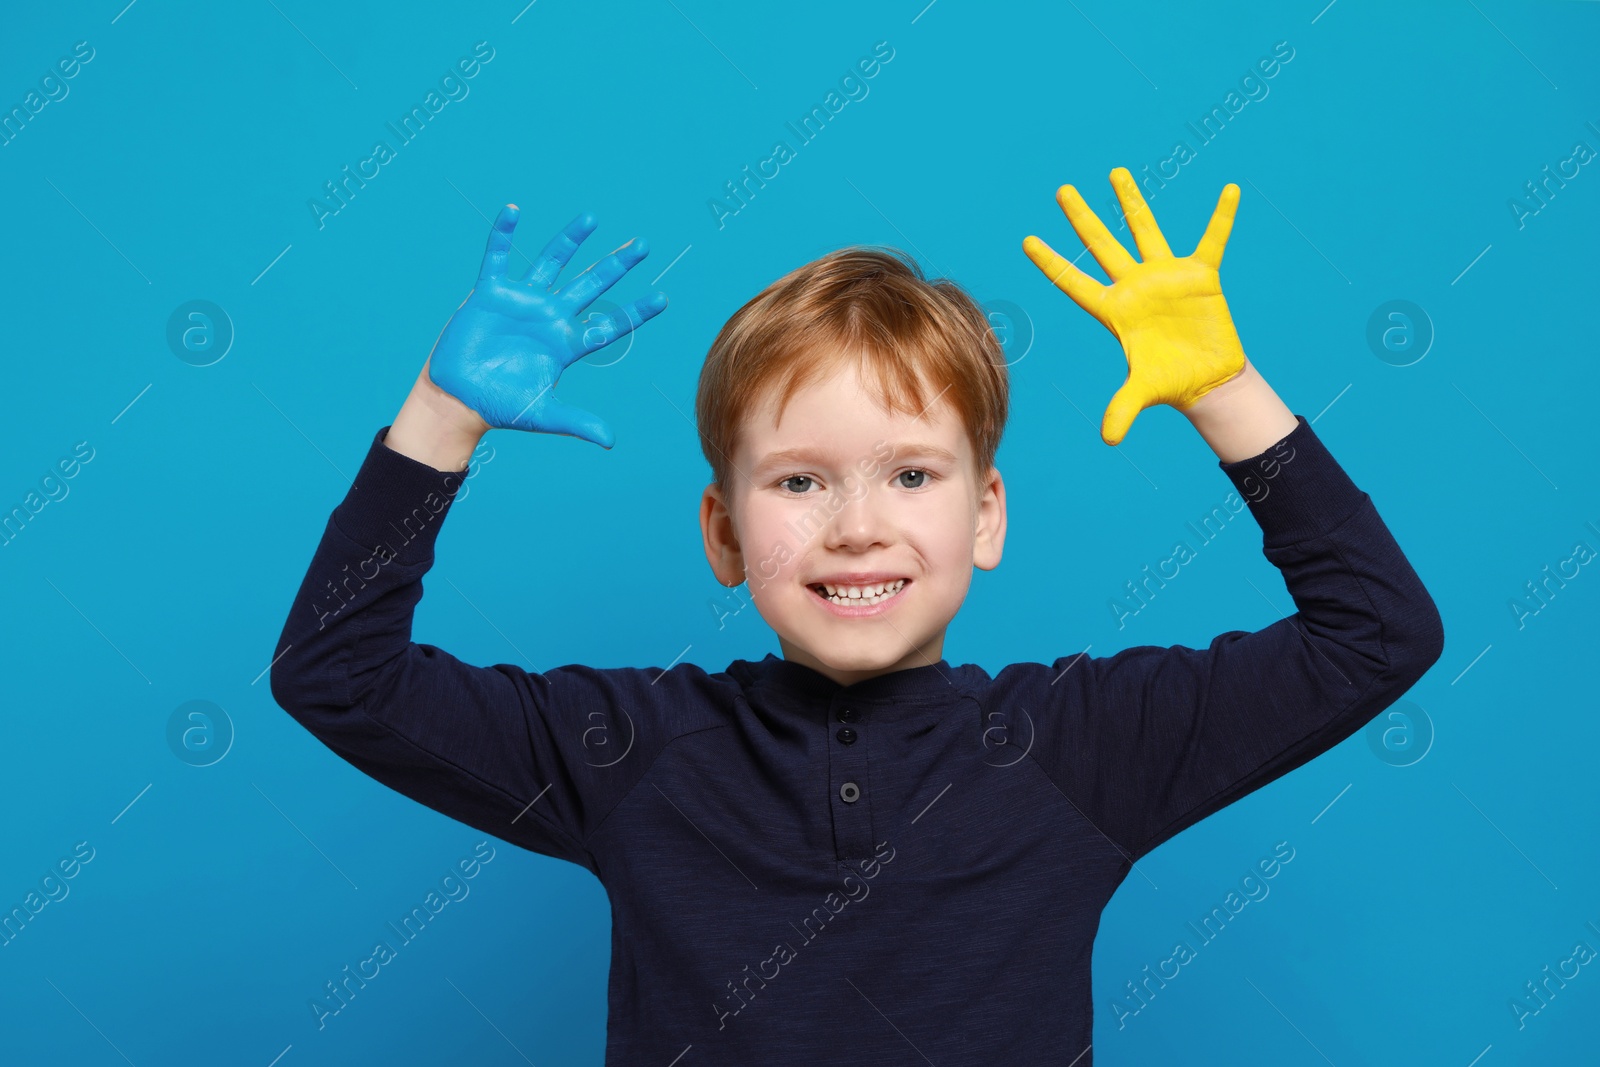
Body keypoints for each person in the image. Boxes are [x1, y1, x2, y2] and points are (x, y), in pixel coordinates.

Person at [270, 169, 1444, 1064]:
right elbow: (337, 671)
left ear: (986, 517)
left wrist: (1223, 391)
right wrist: (440, 418)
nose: (855, 526)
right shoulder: (626, 750)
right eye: (798, 480)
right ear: (723, 535)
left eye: (912, 475)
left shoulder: (1083, 744)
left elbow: (1377, 632)